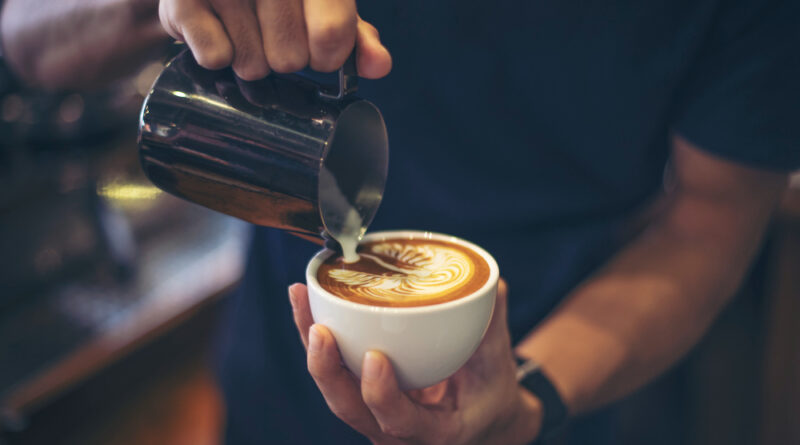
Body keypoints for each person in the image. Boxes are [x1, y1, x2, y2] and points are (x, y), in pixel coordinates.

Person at [3, 0, 798, 443]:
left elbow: (713, 214)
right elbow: (23, 38)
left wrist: (527, 401)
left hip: (558, 379)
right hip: (278, 395)